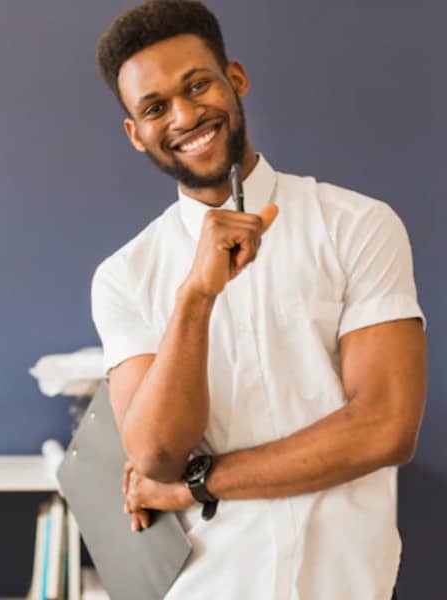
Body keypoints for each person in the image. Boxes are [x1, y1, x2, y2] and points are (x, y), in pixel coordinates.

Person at [89, 1, 427, 599]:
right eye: (155, 107)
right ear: (135, 134)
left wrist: (199, 484)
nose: (186, 115)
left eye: (198, 85)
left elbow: (385, 427)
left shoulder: (358, 225)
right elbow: (158, 455)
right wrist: (195, 296)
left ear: (235, 80)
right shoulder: (124, 276)